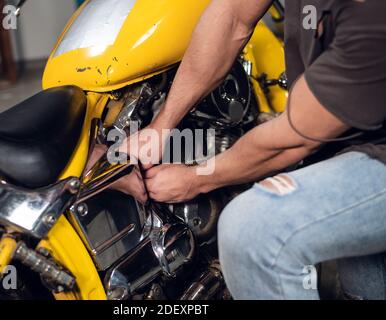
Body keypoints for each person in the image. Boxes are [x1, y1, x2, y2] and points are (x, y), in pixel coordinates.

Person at [125, 0, 386, 299]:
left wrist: (195, 178)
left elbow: (294, 138)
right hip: (353, 138)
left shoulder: (374, 18)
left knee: (254, 233)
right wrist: (162, 124)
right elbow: (233, 15)